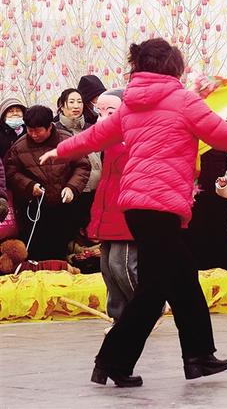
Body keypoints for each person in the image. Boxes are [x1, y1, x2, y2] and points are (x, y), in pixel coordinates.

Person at [40, 38, 227, 387]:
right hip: (162, 207)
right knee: (155, 289)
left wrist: (61, 150)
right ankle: (114, 361)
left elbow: (96, 136)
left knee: (180, 279)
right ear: (173, 67)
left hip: (137, 207)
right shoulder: (183, 100)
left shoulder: (131, 105)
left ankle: (197, 356)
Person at [4, 105, 90, 261]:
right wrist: (29, 186)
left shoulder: (67, 140)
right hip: (35, 209)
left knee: (60, 250)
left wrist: (72, 188)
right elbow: (11, 172)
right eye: (30, 130)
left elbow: (82, 166)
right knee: (36, 252)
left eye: (38, 130)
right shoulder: (19, 146)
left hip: (64, 206)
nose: (33, 134)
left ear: (50, 126)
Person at [87, 89, 138, 326]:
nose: (103, 119)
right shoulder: (107, 142)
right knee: (107, 266)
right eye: (100, 113)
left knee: (122, 264)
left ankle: (147, 306)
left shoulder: (137, 140)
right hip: (108, 207)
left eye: (110, 112)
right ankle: (119, 316)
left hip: (127, 210)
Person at [56, 88, 102, 238]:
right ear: (62, 105)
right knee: (71, 233)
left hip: (95, 189)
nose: (76, 106)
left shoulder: (92, 128)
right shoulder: (56, 130)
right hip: (70, 191)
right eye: (71, 102)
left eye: (79, 102)